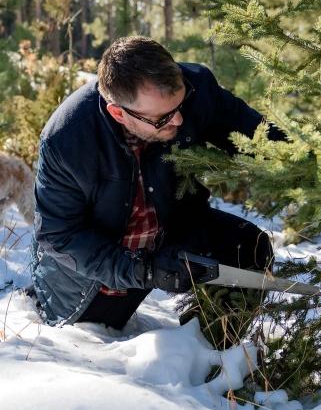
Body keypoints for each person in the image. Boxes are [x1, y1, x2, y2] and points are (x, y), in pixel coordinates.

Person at [31, 36, 283, 330]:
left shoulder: (196, 89)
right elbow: (58, 236)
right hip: (91, 282)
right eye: (162, 119)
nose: (178, 121)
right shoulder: (67, 138)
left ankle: (212, 354)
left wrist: (317, 170)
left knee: (249, 247)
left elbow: (261, 138)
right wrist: (144, 270)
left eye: (179, 106)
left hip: (170, 233)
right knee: (100, 343)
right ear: (118, 112)